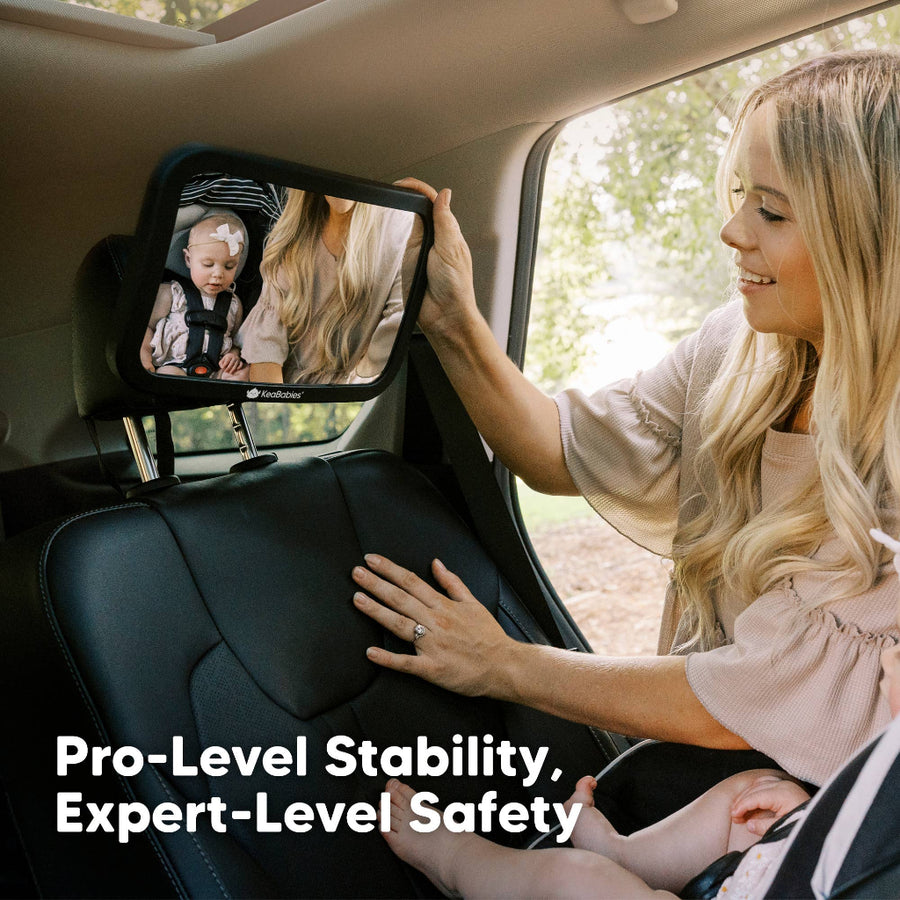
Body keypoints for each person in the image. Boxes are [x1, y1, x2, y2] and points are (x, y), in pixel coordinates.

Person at [351, 49, 900, 788]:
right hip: (710, 779)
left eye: (771, 210)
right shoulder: (732, 348)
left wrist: (503, 664)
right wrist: (452, 319)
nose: (732, 231)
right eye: (740, 196)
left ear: (868, 238)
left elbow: (754, 697)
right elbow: (557, 451)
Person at [379, 528, 900, 899]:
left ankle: (456, 865)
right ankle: (626, 855)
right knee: (757, 791)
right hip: (794, 865)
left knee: (577, 878)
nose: (888, 650)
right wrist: (803, 821)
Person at [238, 190, 420, 384]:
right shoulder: (296, 231)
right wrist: (277, 406)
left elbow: (383, 354)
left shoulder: (402, 229)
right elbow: (267, 349)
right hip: (285, 398)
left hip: (349, 401)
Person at [142, 211, 249, 380]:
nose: (218, 273)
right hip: (176, 366)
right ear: (188, 259)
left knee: (242, 374)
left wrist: (234, 355)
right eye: (208, 264)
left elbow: (236, 341)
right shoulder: (171, 293)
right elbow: (146, 327)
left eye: (229, 267)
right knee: (169, 377)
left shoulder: (234, 303)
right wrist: (145, 356)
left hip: (217, 369)